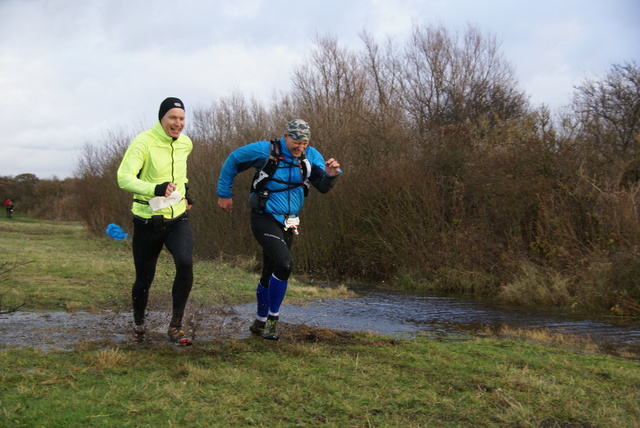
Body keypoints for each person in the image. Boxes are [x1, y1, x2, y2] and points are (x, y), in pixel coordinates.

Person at [217, 119, 342, 340]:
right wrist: (224, 193)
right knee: (284, 265)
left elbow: (321, 186)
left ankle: (259, 321)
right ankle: (273, 320)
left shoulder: (311, 156)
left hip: (290, 221)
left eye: (304, 143)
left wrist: (331, 175)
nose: (300, 147)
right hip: (264, 217)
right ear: (286, 136)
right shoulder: (265, 150)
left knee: (270, 272)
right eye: (296, 142)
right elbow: (233, 160)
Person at [117, 97, 195, 345]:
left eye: (181, 118)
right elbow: (123, 178)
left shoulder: (185, 144)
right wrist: (155, 188)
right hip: (147, 220)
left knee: (185, 263)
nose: (178, 123)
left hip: (177, 218)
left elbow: (180, 174)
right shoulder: (144, 142)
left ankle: (175, 326)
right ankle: (139, 324)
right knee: (144, 278)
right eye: (172, 117)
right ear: (162, 118)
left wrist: (186, 192)